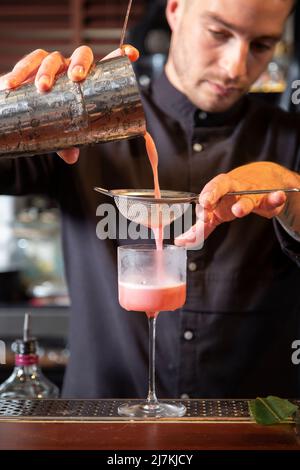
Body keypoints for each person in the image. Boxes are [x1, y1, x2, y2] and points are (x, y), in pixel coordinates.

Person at [0, 0, 299, 399]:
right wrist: (17, 106)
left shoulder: (290, 142)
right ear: (176, 9)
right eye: (218, 33)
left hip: (246, 431)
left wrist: (293, 198)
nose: (235, 67)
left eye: (261, 45)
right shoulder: (84, 121)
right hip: (98, 428)